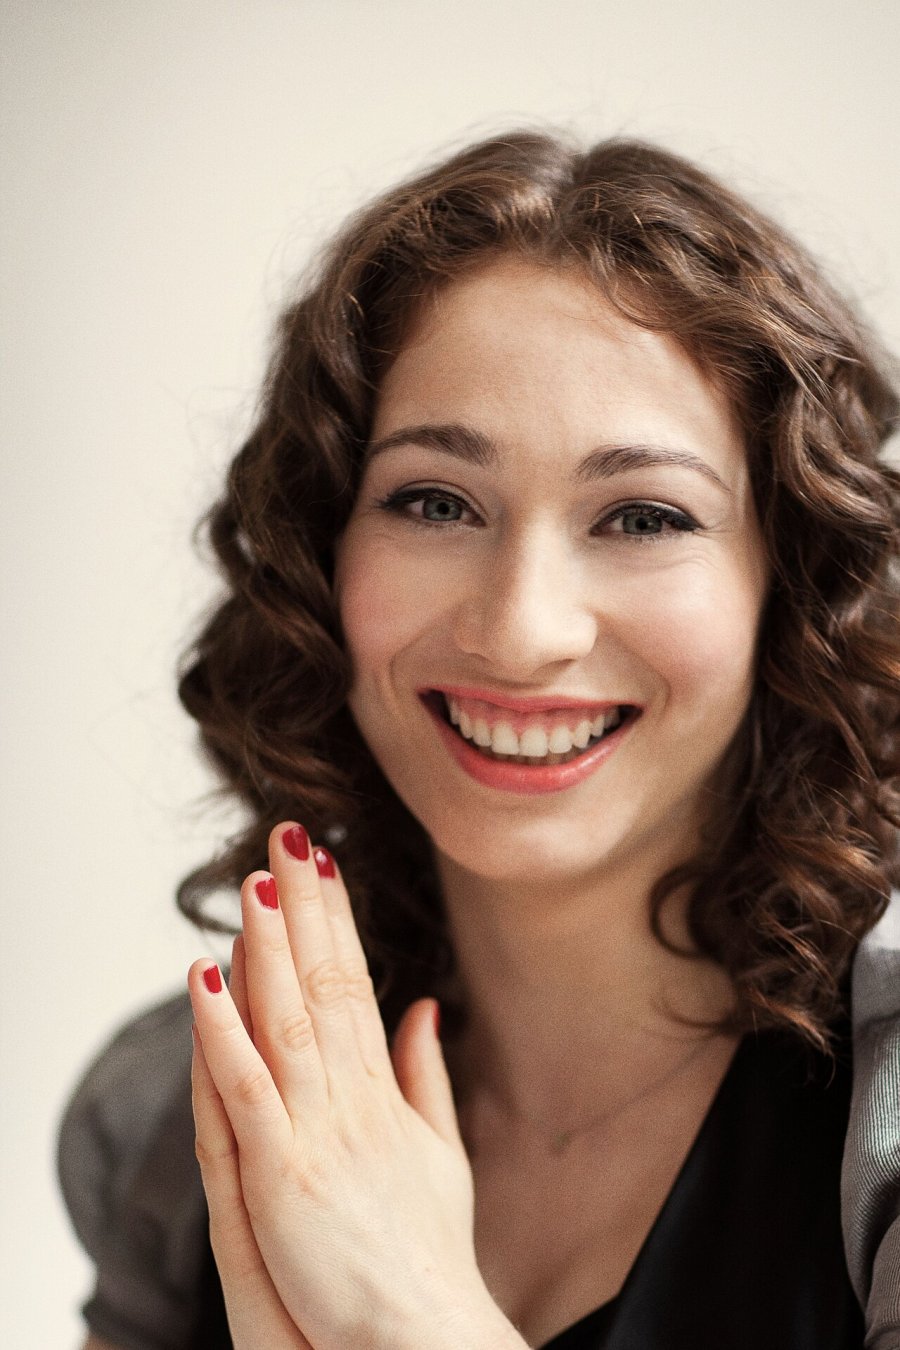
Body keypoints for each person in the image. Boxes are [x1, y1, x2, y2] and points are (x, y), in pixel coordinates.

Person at [59, 129, 900, 1349]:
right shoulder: (177, 1125)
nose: (520, 630)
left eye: (643, 517)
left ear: (794, 584)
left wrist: (414, 1319)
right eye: (435, 501)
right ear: (320, 559)